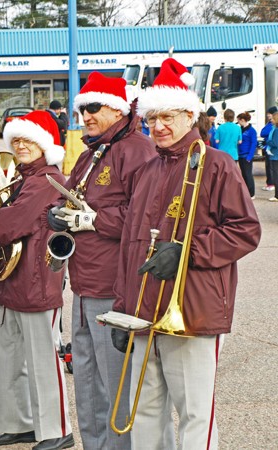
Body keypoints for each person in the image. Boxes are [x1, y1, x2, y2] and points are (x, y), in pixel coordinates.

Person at [114, 57, 261, 450]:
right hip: (143, 310)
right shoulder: (146, 170)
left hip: (193, 307)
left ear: (190, 115)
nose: (158, 126)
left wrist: (186, 252)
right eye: (152, 118)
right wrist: (122, 306)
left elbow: (246, 231)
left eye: (169, 116)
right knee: (143, 410)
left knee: (195, 412)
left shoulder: (218, 164)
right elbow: (131, 247)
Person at [47, 71, 156, 450]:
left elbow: (146, 218)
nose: (86, 116)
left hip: (114, 286)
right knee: (89, 385)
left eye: (93, 108)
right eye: (81, 110)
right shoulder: (93, 150)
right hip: (84, 284)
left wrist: (93, 219)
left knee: (116, 388)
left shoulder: (138, 150)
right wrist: (59, 213)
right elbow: (73, 198)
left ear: (116, 108)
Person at [0, 110, 73, 450]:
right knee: (9, 359)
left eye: (28, 140)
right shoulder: (22, 179)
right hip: (10, 282)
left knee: (42, 362)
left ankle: (56, 429)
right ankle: (17, 424)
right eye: (16, 140)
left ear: (45, 145)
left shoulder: (47, 180)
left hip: (36, 281)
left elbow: (9, 224)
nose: (20, 146)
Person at [236, 111, 258, 199]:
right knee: (244, 174)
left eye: (239, 121)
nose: (238, 123)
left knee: (248, 174)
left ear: (242, 120)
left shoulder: (252, 131)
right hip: (240, 155)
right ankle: (246, 192)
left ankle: (252, 193)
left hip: (246, 156)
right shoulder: (240, 129)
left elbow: (253, 144)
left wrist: (250, 156)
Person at [260, 106, 277, 191]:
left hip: (271, 149)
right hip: (269, 149)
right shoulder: (270, 124)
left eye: (269, 114)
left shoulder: (272, 126)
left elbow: (263, 132)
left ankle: (271, 184)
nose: (268, 115)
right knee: (269, 166)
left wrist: (268, 142)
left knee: (270, 167)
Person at [266, 111, 278, 202]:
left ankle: (277, 196)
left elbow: (274, 143)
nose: (271, 120)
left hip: (275, 155)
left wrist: (267, 141)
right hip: (275, 155)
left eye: (273, 119)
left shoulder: (276, 130)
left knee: (276, 176)